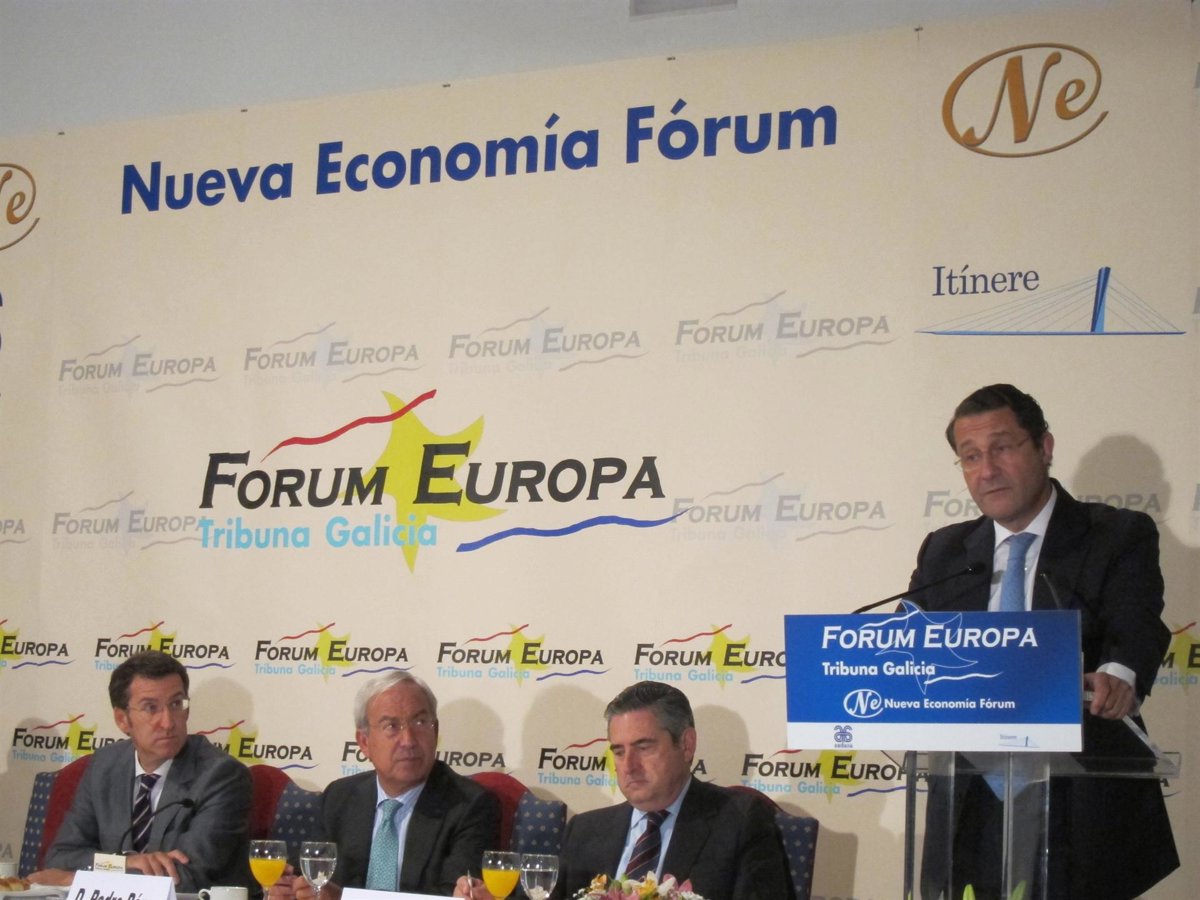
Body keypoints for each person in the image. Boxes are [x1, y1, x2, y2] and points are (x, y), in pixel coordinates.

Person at [910, 383, 1179, 899]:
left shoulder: (1115, 535)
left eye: (1002, 448)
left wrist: (1119, 675)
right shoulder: (945, 552)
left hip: (1080, 794)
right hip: (970, 799)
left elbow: (1136, 621)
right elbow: (913, 646)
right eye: (970, 456)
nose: (987, 470)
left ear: (1044, 447)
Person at [537, 681, 792, 900]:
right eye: (619, 752)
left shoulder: (740, 823)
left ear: (686, 744)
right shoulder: (583, 831)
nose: (629, 766)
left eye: (643, 747)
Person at [30, 650, 253, 890]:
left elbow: (185, 877)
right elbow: (61, 857)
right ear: (122, 719)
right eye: (151, 708)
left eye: (176, 704)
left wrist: (75, 879)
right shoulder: (104, 766)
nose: (168, 722)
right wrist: (123, 863)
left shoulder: (221, 776)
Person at [270, 671, 499, 900]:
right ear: (364, 742)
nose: (408, 740)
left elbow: (452, 896)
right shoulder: (339, 798)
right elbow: (310, 876)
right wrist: (290, 890)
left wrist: (344, 898)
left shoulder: (470, 806)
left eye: (420, 722)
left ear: (435, 731)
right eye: (391, 726)